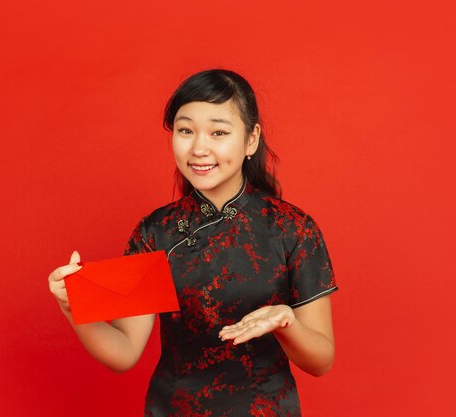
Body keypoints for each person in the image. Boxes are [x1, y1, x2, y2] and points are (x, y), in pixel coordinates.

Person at [48, 69, 339, 416]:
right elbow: (124, 352)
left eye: (218, 132)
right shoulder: (156, 232)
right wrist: (73, 308)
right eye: (186, 131)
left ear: (250, 139)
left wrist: (286, 320)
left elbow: (321, 361)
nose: (199, 148)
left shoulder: (292, 228)